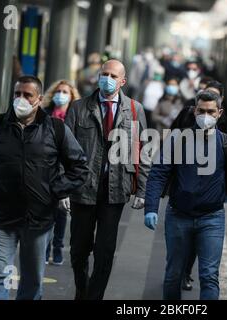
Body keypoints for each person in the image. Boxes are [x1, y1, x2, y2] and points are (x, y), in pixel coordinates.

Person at [0, 75, 88, 300]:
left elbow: (80, 167)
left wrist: (56, 189)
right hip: (1, 217)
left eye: (27, 95)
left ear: (38, 99)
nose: (21, 99)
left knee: (32, 281)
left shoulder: (55, 129)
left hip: (38, 219)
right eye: (17, 94)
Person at [144, 90, 227, 300]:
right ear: (194, 110)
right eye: (201, 110)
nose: (205, 116)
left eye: (210, 111)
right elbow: (158, 173)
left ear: (219, 113)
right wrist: (151, 208)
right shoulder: (178, 140)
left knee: (209, 277)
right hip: (178, 216)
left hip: (212, 219)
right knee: (173, 275)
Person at [65, 59, 150, 300]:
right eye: (104, 74)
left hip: (115, 190)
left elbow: (141, 151)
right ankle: (82, 289)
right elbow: (64, 151)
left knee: (105, 251)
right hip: (83, 189)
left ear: (122, 81)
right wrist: (63, 189)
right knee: (79, 250)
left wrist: (142, 190)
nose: (107, 79)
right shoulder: (79, 108)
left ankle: (94, 297)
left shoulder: (134, 110)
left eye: (113, 76)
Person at [42, 80, 81, 265]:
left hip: (65, 170)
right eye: (58, 91)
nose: (61, 94)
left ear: (72, 96)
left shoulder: (75, 116)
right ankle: (45, 248)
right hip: (47, 168)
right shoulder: (45, 114)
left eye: (65, 92)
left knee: (61, 212)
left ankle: (57, 248)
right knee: (46, 211)